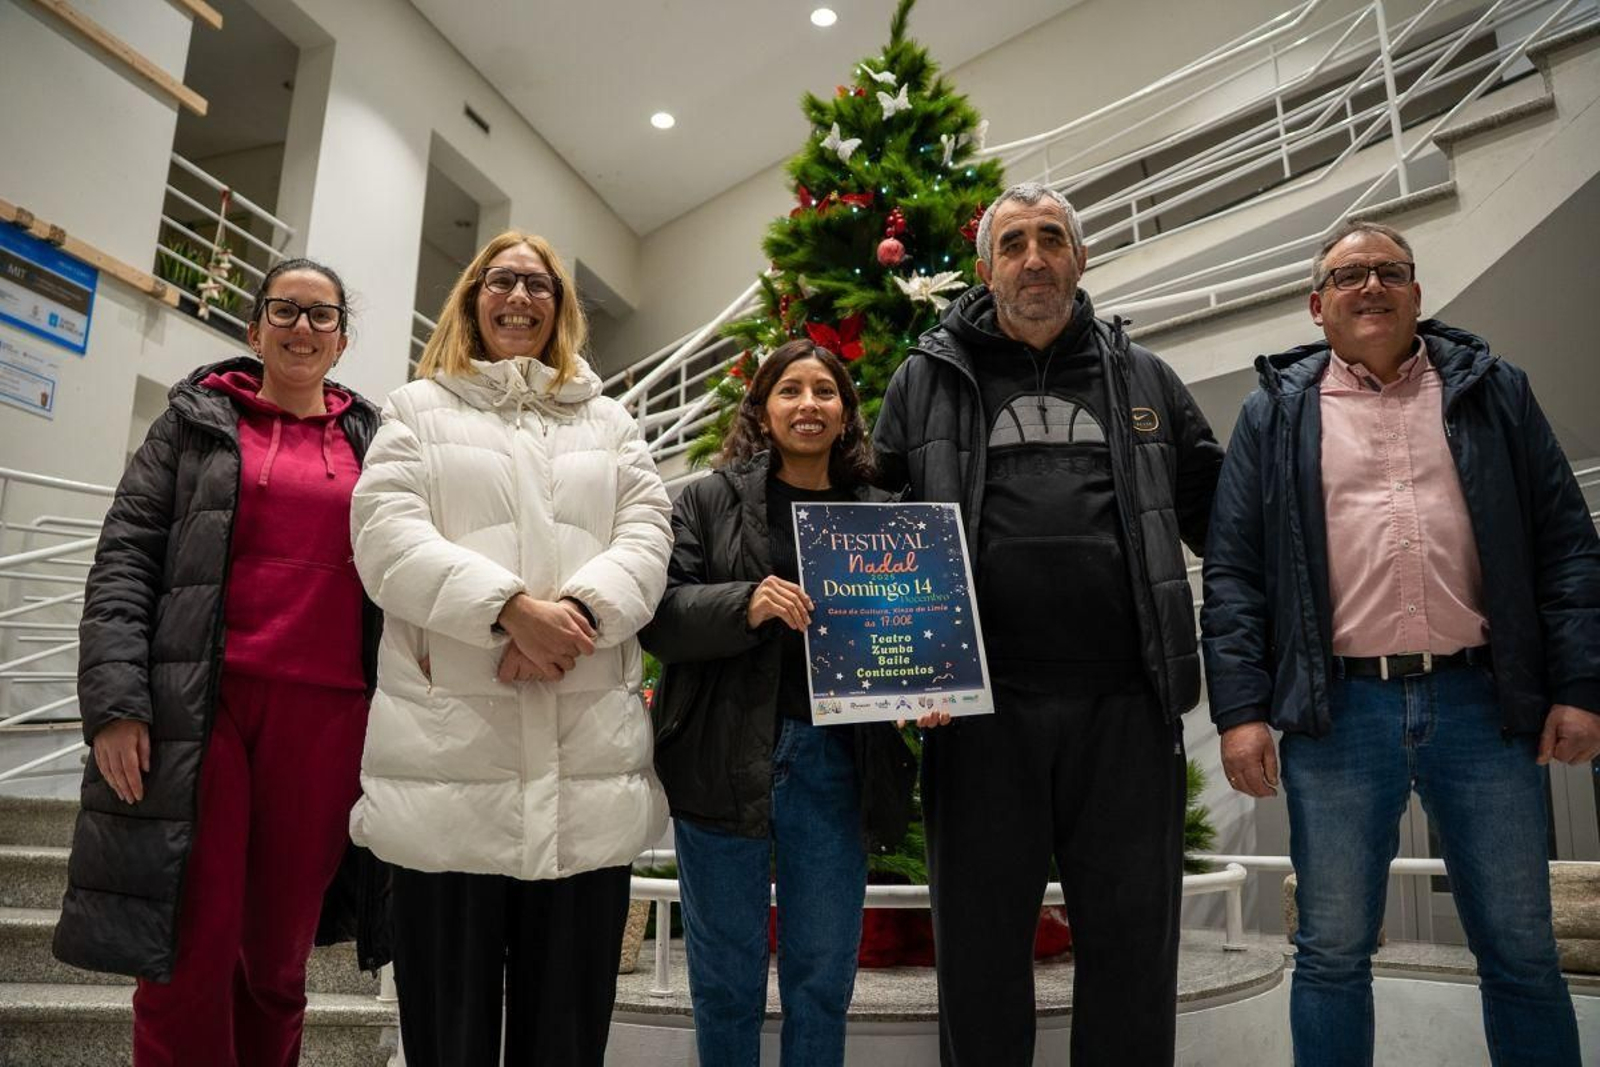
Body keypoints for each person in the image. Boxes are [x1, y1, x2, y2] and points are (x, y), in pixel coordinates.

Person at [1202, 219, 1598, 1066]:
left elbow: (1566, 543)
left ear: (1418, 293)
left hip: (1484, 705)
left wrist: (1581, 684)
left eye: (1390, 271)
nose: (1370, 286)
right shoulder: (1273, 415)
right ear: (1317, 305)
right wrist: (1240, 710)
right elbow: (1234, 574)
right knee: (1334, 953)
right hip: (1338, 712)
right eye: (1349, 276)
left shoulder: (1497, 392)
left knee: (1523, 953)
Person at [872, 181, 1224, 1064]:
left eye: (1052, 240)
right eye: (1016, 243)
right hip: (980, 717)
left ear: (1081, 257)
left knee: (1134, 950)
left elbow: (1224, 519)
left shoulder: (1145, 378)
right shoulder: (924, 379)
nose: (1036, 258)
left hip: (1128, 709)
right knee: (981, 953)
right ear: (987, 267)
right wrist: (905, 673)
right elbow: (875, 528)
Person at [348, 230, 672, 1066]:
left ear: (560, 307)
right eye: (502, 282)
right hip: (448, 773)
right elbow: (385, 537)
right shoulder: (415, 410)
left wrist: (572, 617)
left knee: (565, 1034)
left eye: (538, 285)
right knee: (447, 1033)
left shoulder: (611, 422)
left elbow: (648, 535)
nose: (519, 298)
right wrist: (506, 610)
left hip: (583, 776)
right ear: (472, 297)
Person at [52, 259, 387, 1066]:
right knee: (189, 950)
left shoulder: (380, 444)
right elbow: (124, 559)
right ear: (253, 328)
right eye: (285, 310)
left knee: (278, 959)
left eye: (321, 316)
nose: (302, 327)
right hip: (202, 709)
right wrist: (115, 703)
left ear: (342, 340)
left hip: (331, 719)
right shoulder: (195, 422)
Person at [641, 340, 918, 1066]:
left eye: (825, 391)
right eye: (790, 389)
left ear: (847, 413)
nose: (808, 404)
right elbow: (660, 619)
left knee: (822, 979)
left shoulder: (884, 514)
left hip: (838, 763)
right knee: (725, 981)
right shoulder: (704, 498)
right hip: (721, 759)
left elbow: (915, 630)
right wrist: (746, 602)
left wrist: (927, 688)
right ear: (762, 408)